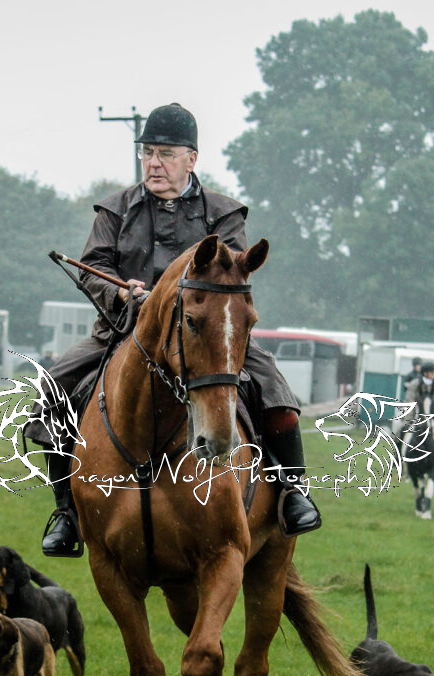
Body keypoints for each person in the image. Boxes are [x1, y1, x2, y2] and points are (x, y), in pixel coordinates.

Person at [29, 102, 319, 557]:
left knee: (277, 394)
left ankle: (293, 490)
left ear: (191, 159)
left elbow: (232, 269)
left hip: (207, 337)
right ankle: (66, 510)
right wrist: (120, 293)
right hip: (122, 333)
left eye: (165, 154)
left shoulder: (224, 213)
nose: (154, 163)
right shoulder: (115, 209)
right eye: (147, 153)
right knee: (54, 393)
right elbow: (93, 267)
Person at [403, 361, 434, 465]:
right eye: (431, 372)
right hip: (416, 416)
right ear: (425, 373)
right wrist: (410, 417)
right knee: (400, 430)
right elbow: (409, 400)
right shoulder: (414, 385)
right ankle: (398, 457)